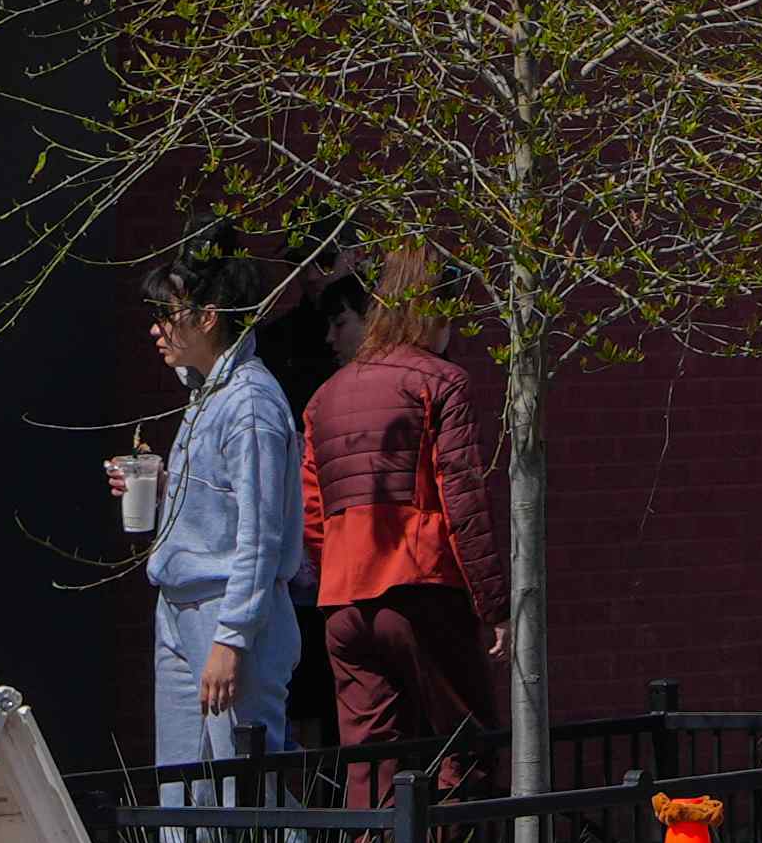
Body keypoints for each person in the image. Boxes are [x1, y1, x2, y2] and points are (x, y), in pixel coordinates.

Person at [301, 272, 497, 784]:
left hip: (344, 600)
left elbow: (313, 512)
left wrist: (339, 570)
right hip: (422, 586)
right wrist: (494, 604)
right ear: (428, 312)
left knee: (371, 762)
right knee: (467, 746)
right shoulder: (442, 380)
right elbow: (463, 500)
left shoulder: (324, 398)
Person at [136, 264, 308, 787]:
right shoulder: (209, 393)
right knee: (184, 794)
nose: (155, 329)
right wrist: (168, 490)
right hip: (181, 602)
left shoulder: (249, 402)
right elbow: (229, 509)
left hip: (227, 610)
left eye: (166, 315)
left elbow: (260, 536)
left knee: (245, 791)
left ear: (208, 318)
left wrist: (231, 639)